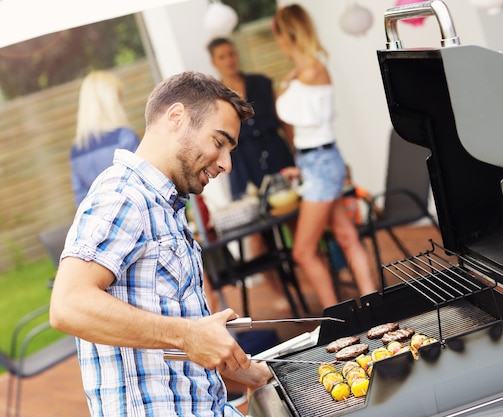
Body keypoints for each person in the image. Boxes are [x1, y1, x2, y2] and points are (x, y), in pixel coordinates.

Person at [49, 71, 272, 417]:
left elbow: (179, 331)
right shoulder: (123, 197)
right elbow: (68, 305)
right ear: (176, 118)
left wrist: (249, 372)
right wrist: (187, 336)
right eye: (219, 142)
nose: (227, 164)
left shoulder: (164, 205)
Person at [272, 4, 378, 309]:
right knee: (346, 236)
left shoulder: (310, 72)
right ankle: (370, 305)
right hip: (316, 161)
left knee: (303, 251)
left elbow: (286, 110)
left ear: (287, 36)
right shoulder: (306, 72)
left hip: (320, 163)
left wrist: (285, 86)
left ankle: (338, 318)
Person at [207, 37, 296, 311]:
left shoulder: (260, 82)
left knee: (295, 220)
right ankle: (277, 289)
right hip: (243, 165)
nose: (230, 59)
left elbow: (283, 122)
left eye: (232, 53)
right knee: (257, 235)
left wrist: (296, 154)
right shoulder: (215, 99)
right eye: (222, 56)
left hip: (275, 154)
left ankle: (309, 276)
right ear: (214, 61)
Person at [70, 70, 141, 206]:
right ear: (111, 102)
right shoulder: (124, 137)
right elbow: (144, 184)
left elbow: (81, 199)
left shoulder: (76, 150)